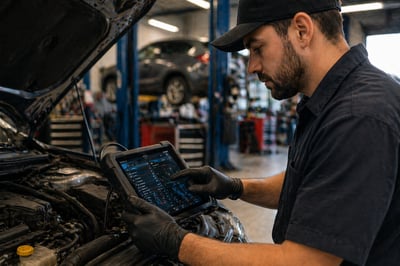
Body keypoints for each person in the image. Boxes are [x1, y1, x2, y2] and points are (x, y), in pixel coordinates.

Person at [121, 0, 400, 265]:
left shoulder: (357, 116)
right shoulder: (332, 98)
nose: (252, 66)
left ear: (302, 30)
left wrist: (177, 242)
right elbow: (314, 184)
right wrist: (235, 187)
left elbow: (305, 262)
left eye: (257, 48)